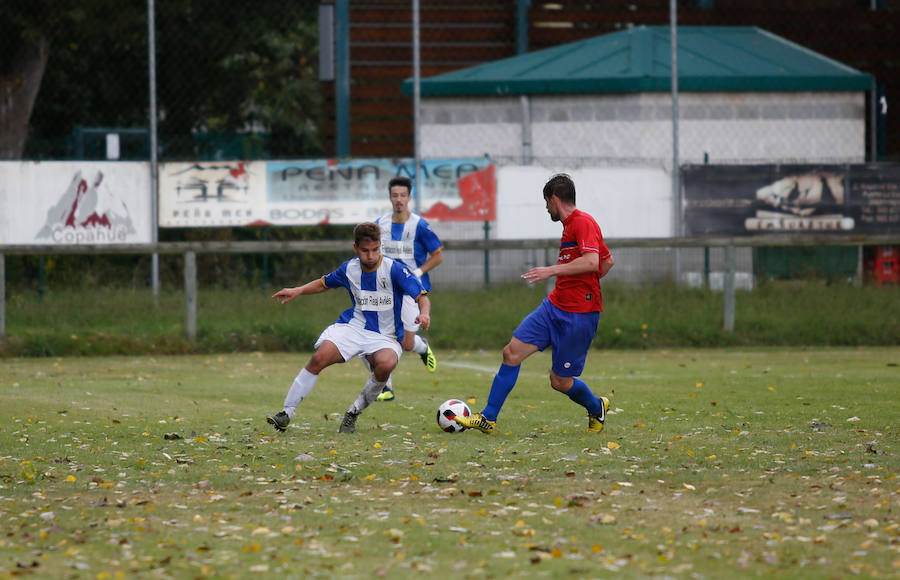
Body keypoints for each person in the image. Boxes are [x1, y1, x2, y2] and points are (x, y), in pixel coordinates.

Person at [455, 173, 615, 435]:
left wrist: (553, 272)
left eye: (546, 202)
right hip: (554, 307)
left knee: (560, 381)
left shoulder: (582, 222)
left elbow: (592, 262)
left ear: (554, 199)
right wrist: (581, 280)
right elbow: (607, 262)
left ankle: (595, 406)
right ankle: (488, 418)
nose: (546, 208)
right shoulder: (571, 226)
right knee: (511, 352)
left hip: (579, 315)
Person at [265, 222, 431, 434]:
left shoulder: (394, 270)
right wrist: (297, 290)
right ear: (356, 248)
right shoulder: (349, 269)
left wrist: (424, 313)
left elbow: (421, 296)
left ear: (380, 246)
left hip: (386, 336)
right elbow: (324, 283)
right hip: (354, 327)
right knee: (319, 358)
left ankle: (353, 413)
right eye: (365, 250)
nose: (370, 256)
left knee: (386, 364)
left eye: (375, 249)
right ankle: (286, 413)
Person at [371, 175, 443, 401]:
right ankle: (386, 388)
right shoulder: (380, 224)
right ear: (390, 197)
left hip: (413, 290)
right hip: (385, 291)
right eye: (395, 195)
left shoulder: (419, 225)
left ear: (409, 198)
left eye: (403, 195)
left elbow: (438, 256)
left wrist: (418, 273)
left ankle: (422, 347)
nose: (399, 200)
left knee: (406, 342)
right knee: (379, 337)